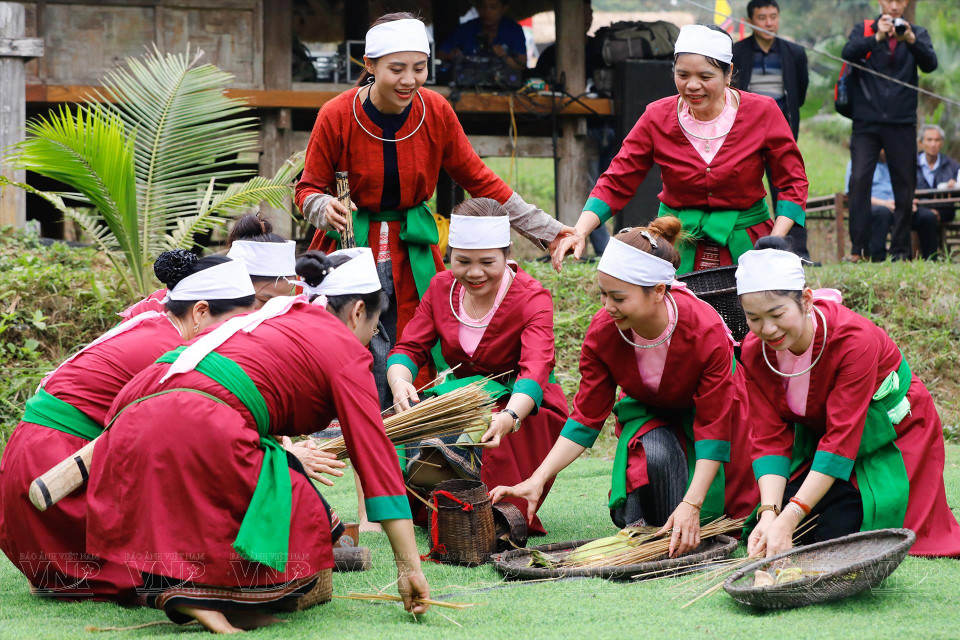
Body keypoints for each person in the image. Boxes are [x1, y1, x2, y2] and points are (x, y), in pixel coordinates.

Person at [85, 248, 430, 633]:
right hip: (197, 418)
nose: (370, 339)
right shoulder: (345, 351)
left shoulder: (279, 314)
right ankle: (198, 595)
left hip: (132, 412)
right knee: (300, 507)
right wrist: (409, 567)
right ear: (358, 313)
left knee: (265, 478)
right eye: (376, 326)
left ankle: (209, 594)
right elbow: (376, 459)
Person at [295, 13, 571, 410]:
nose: (409, 79)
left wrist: (549, 231)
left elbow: (481, 179)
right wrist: (324, 206)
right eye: (397, 69)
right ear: (369, 66)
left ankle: (412, 459)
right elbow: (306, 188)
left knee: (412, 355)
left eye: (419, 68)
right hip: (350, 253)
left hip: (414, 253)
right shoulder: (336, 114)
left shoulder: (436, 111)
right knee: (348, 361)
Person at [492, 218, 759, 557]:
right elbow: (586, 418)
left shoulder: (703, 330)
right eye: (603, 294)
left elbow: (714, 425)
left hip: (715, 420)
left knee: (711, 520)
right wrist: (538, 478)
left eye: (618, 297)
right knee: (654, 458)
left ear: (659, 291)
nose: (607, 307)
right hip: (650, 414)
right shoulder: (605, 332)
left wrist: (692, 504)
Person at [0, 252, 257, 601]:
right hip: (50, 474)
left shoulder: (155, 325)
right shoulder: (167, 349)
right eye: (233, 324)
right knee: (188, 566)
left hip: (29, 462)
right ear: (200, 312)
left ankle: (57, 572)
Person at [737, 240, 960, 558]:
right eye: (754, 318)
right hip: (824, 439)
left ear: (806, 300)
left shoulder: (853, 340)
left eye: (776, 314)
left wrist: (791, 516)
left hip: (889, 433)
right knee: (787, 520)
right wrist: (770, 513)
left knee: (837, 531)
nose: (767, 329)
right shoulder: (754, 351)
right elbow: (769, 436)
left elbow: (840, 440)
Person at [552, 24, 808, 275]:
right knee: (676, 313)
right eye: (683, 75)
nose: (692, 86)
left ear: (728, 73)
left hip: (748, 244)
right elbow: (618, 177)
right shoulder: (657, 116)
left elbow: (793, 181)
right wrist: (581, 230)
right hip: (675, 243)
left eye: (705, 77)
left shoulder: (762, 111)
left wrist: (774, 240)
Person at [386, 199, 567, 534]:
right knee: (416, 428)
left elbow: (535, 369)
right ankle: (438, 503)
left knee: (485, 449)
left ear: (507, 255)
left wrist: (510, 417)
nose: (474, 272)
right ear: (450, 254)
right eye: (463, 261)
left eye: (487, 262)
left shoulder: (532, 297)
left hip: (524, 406)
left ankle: (489, 508)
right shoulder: (442, 288)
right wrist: (400, 383)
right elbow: (408, 348)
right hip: (465, 398)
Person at [841, 0, 937, 262]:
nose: (894, 6)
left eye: (900, 0)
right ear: (880, 2)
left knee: (905, 185)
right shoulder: (864, 28)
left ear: (905, 3)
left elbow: (930, 64)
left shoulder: (916, 32)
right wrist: (877, 37)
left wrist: (912, 39)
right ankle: (857, 250)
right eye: (889, 0)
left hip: (902, 121)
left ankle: (900, 251)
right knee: (859, 180)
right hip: (866, 121)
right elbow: (848, 53)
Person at [732, 0, 811, 260]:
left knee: (788, 187)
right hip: (745, 135)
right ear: (751, 21)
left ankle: (796, 251)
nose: (769, 23)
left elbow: (798, 94)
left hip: (780, 132)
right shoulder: (738, 51)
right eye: (762, 17)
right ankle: (751, 250)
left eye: (773, 17)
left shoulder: (795, 52)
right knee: (746, 188)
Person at [533, 0, 611, 256]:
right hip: (578, 129)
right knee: (593, 191)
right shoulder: (550, 54)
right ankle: (602, 249)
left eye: (586, 14)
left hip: (610, 127)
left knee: (608, 188)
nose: (582, 19)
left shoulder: (603, 50)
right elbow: (534, 82)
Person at [119, 215, 297, 317]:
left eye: (285, 302)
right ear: (233, 283)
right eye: (265, 301)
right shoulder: (189, 314)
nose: (275, 311)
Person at [844, 152, 938, 260]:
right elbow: (855, 194)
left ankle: (931, 259)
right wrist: (884, 203)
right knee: (882, 213)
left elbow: (908, 188)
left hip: (900, 206)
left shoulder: (899, 164)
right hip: (875, 205)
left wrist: (909, 201)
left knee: (927, 216)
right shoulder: (858, 164)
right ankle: (877, 258)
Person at [438, 0, 527, 71]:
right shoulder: (466, 29)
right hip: (467, 85)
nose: (487, 12)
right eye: (483, 7)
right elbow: (440, 55)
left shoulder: (514, 30)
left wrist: (504, 57)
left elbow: (522, 65)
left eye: (493, 7)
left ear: (504, 9)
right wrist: (452, 55)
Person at [916, 124, 960, 224]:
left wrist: (954, 185)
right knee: (924, 217)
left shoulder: (952, 165)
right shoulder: (911, 165)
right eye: (929, 140)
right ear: (920, 143)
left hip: (944, 211)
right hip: (919, 210)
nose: (933, 144)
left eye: (937, 140)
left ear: (942, 143)